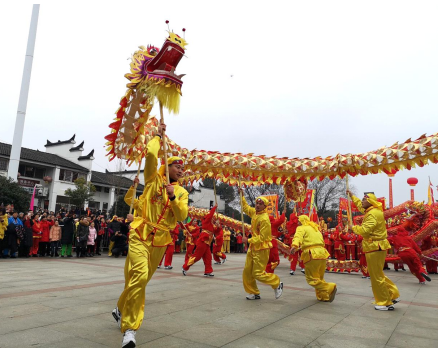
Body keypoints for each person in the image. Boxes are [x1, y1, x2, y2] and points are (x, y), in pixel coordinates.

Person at [113, 123, 188, 348]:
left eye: (183, 168)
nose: (181, 170)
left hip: (160, 241)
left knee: (139, 281)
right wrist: (157, 136)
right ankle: (130, 328)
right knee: (140, 275)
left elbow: (182, 215)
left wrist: (173, 197)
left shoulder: (182, 192)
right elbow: (151, 155)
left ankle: (120, 308)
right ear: (167, 166)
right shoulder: (153, 180)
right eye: (177, 166)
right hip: (140, 234)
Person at [347, 191, 400, 311]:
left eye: (364, 200)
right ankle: (392, 293)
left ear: (370, 201)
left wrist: (353, 228)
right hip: (377, 246)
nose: (362, 201)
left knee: (376, 276)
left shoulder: (372, 214)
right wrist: (352, 196)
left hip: (374, 246)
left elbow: (365, 230)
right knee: (378, 274)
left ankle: (384, 302)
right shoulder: (373, 211)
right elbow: (361, 207)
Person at [239, 191, 283, 300]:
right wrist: (242, 195)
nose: (257, 205)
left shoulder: (264, 219)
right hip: (253, 247)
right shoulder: (254, 213)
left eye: (260, 204)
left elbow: (263, 237)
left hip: (262, 248)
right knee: (247, 271)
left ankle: (277, 283)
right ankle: (253, 292)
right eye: (256, 203)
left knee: (258, 273)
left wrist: (248, 240)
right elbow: (245, 207)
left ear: (265, 206)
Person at [290, 215, 337, 302]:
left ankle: (329, 287)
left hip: (312, 254)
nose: (298, 222)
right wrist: (299, 247)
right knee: (319, 278)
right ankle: (324, 296)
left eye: (299, 220)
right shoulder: (315, 229)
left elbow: (297, 237)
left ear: (302, 221)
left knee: (311, 279)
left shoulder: (301, 228)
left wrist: (294, 245)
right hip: (322, 253)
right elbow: (315, 242)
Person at [182, 205, 216, 276]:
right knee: (197, 256)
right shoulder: (206, 220)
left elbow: (216, 229)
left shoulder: (210, 223)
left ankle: (208, 271)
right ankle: (185, 267)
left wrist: (217, 224)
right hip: (203, 241)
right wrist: (214, 207)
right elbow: (210, 215)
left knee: (208, 257)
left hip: (207, 243)